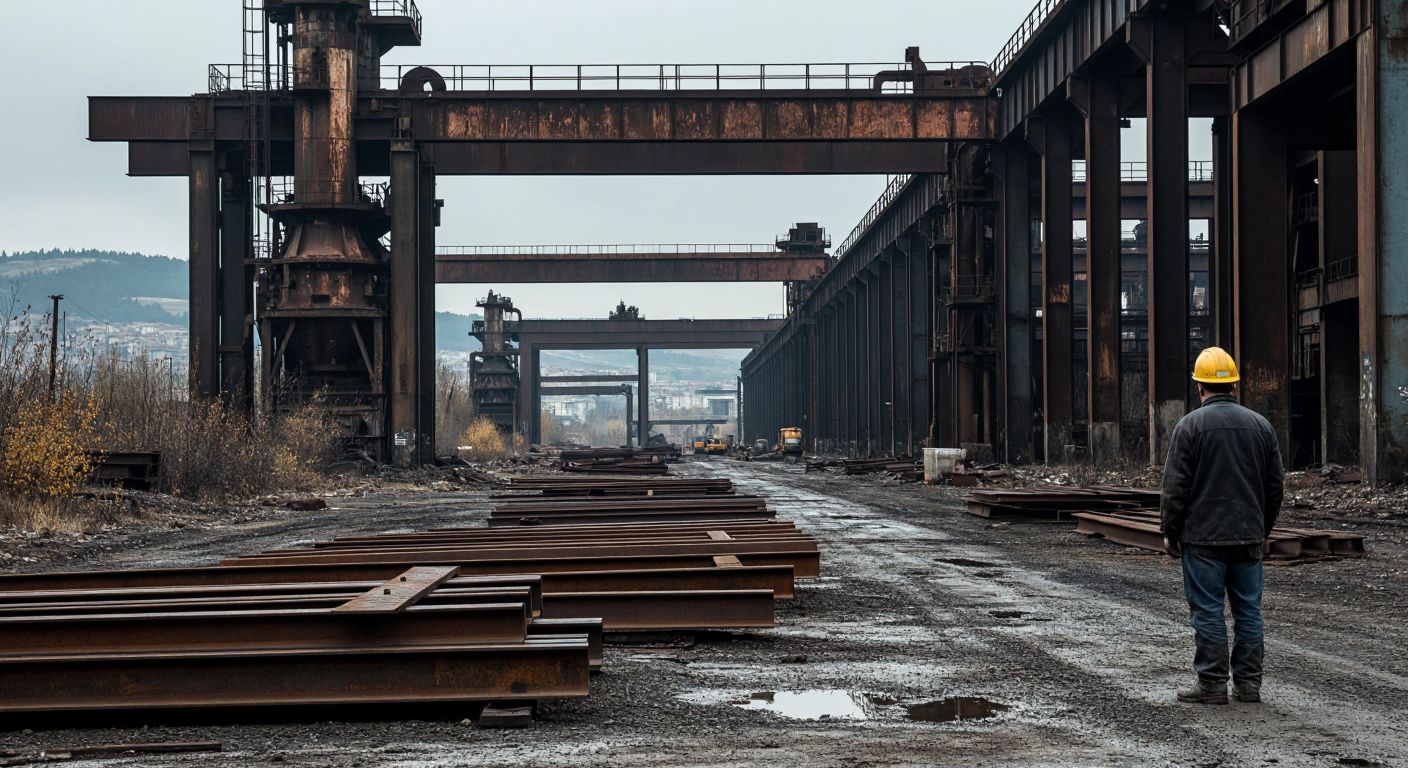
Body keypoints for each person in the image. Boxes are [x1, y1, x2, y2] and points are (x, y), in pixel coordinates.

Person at [1159, 346, 1284, 705]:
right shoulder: (1261, 426)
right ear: (1234, 386)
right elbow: (1275, 486)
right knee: (1248, 611)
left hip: (1203, 539)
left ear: (1199, 386)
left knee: (1208, 610)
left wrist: (1170, 530)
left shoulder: (1189, 427)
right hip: (1248, 536)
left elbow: (1174, 487)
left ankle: (1212, 686)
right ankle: (1248, 686)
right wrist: (1263, 528)